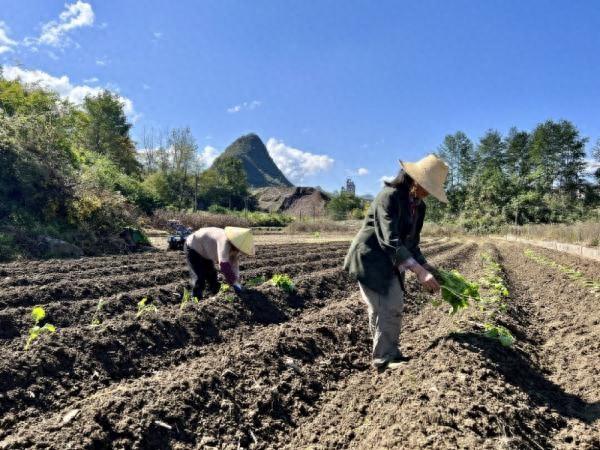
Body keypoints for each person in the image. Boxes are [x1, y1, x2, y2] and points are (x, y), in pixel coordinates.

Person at [344, 154, 448, 371]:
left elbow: (412, 243)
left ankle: (385, 353)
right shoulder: (389, 196)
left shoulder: (419, 207)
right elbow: (389, 240)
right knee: (389, 306)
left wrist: (426, 266)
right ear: (415, 180)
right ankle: (385, 358)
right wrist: (418, 271)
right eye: (427, 187)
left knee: (384, 307)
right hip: (371, 259)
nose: (428, 193)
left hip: (392, 261)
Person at [184, 226, 255, 299]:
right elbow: (223, 264)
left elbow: (234, 263)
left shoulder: (235, 247)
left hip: (205, 250)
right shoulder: (224, 241)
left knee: (211, 273)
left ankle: (215, 296)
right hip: (193, 247)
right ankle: (196, 300)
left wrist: (236, 279)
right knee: (199, 276)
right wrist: (233, 282)